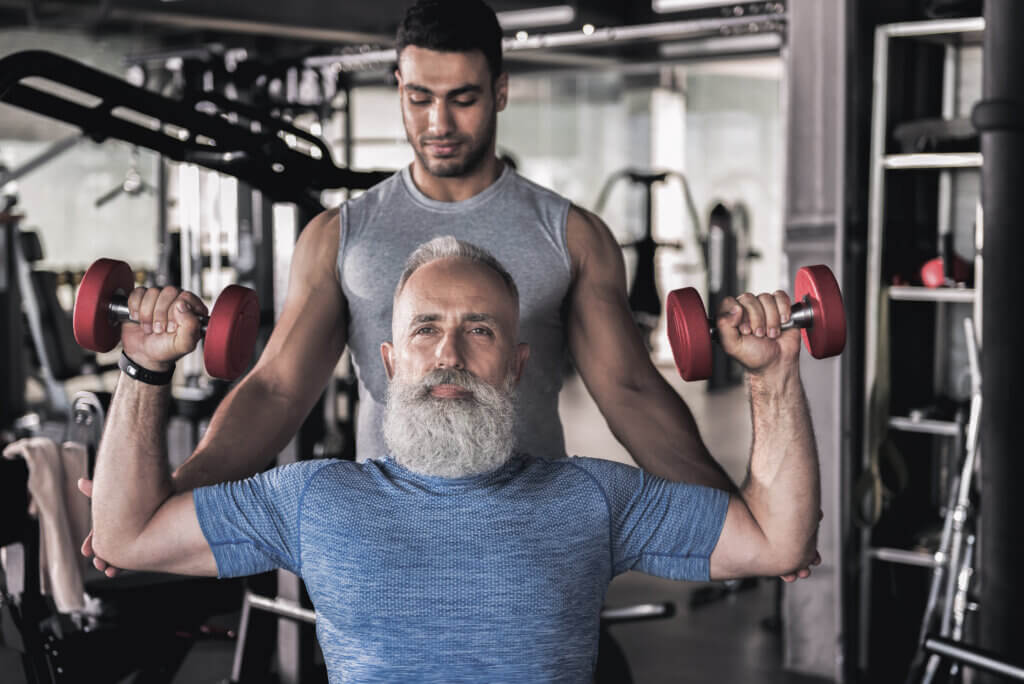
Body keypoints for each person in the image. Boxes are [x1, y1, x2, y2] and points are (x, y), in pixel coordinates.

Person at [81, 0, 818, 581]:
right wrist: (163, 507)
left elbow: (628, 391)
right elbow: (276, 391)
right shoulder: (343, 234)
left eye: (463, 98)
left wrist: (742, 522)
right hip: (388, 529)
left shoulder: (570, 235)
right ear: (398, 89)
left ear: (501, 90)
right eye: (419, 98)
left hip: (533, 529)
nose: (438, 123)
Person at [91, 236, 821, 682]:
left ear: (517, 366)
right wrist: (145, 369)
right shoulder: (315, 499)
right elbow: (128, 535)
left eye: (479, 331)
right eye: (425, 331)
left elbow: (777, 539)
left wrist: (773, 374)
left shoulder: (592, 499)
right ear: (386, 364)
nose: (449, 352)